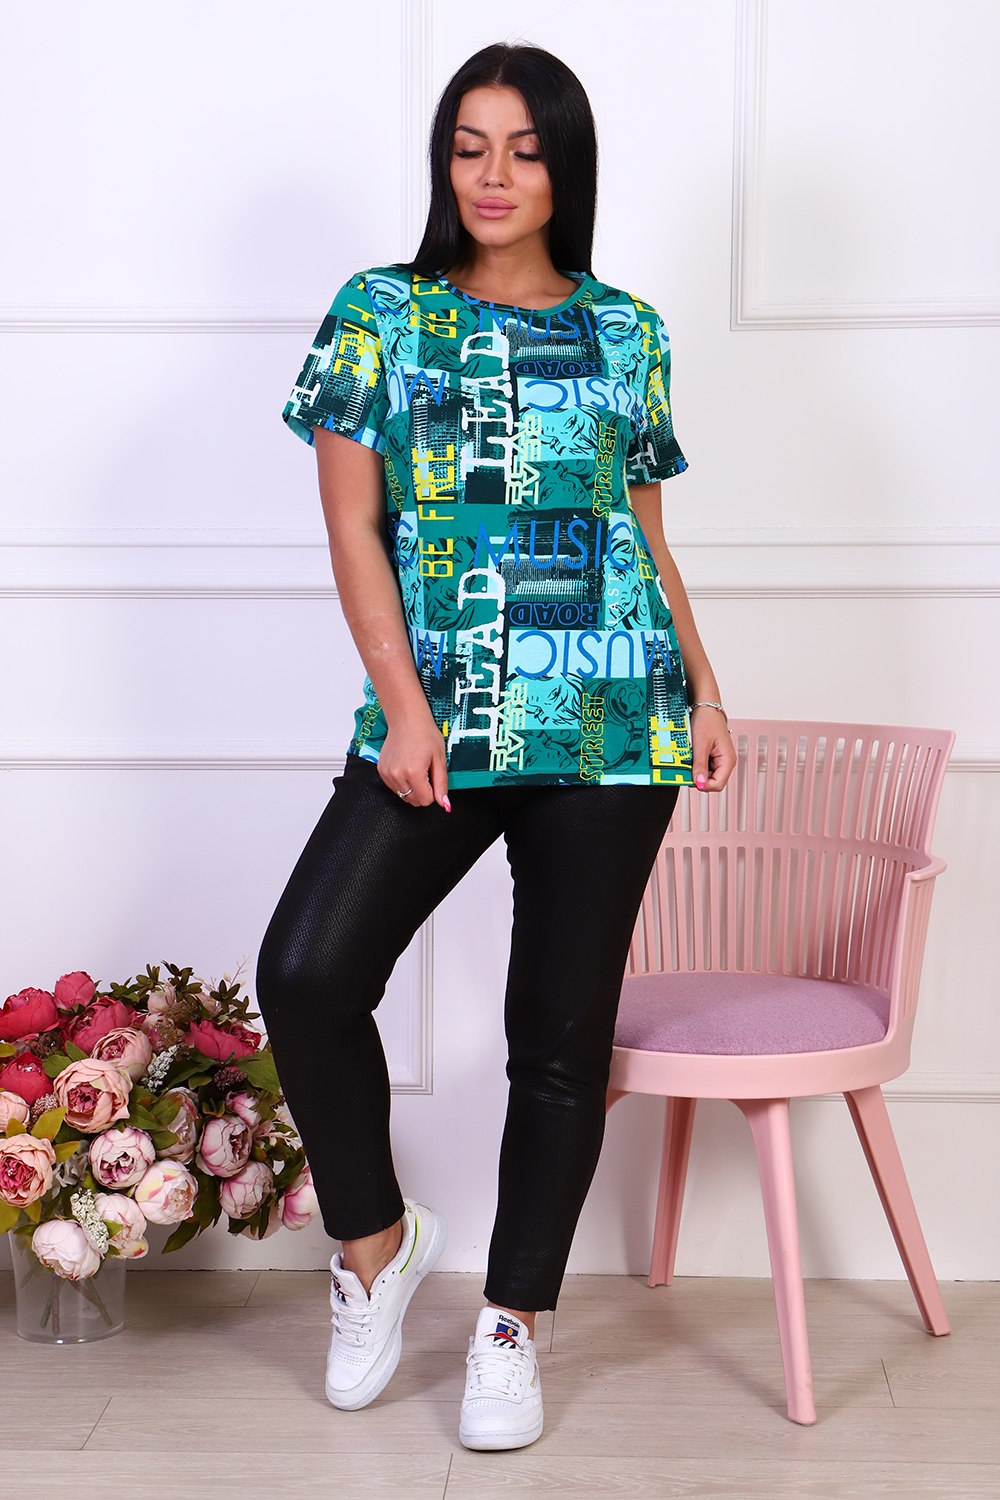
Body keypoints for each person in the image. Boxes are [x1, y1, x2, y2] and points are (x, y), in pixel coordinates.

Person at [256, 42, 735, 1452]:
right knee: (307, 970)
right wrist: (404, 707)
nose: (494, 174)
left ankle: (514, 1322)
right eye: (470, 146)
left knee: (559, 1040)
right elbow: (354, 527)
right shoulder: (381, 313)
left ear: (565, 166)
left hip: (615, 721)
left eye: (524, 149)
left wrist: (705, 688)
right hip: (444, 719)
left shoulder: (629, 329)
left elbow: (642, 534)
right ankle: (376, 1249)